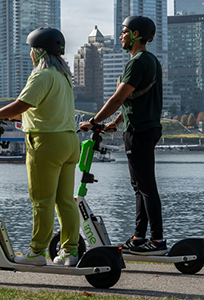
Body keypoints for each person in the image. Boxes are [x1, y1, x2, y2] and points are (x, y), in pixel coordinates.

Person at [0, 27, 80, 266]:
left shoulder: (41, 75)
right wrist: (11, 118)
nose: (30, 55)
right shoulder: (63, 77)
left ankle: (36, 252)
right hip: (69, 141)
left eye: (31, 50)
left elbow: (21, 104)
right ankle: (70, 251)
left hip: (46, 143)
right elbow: (42, 111)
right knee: (65, 200)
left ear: (38, 51)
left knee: (41, 200)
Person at [79, 16, 166, 256]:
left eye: (124, 32)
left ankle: (157, 240)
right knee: (139, 186)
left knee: (146, 187)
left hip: (139, 131)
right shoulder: (151, 61)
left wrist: (94, 121)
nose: (121, 36)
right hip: (142, 127)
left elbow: (118, 98)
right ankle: (139, 237)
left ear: (136, 35)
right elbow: (134, 98)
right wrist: (115, 123)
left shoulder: (137, 62)